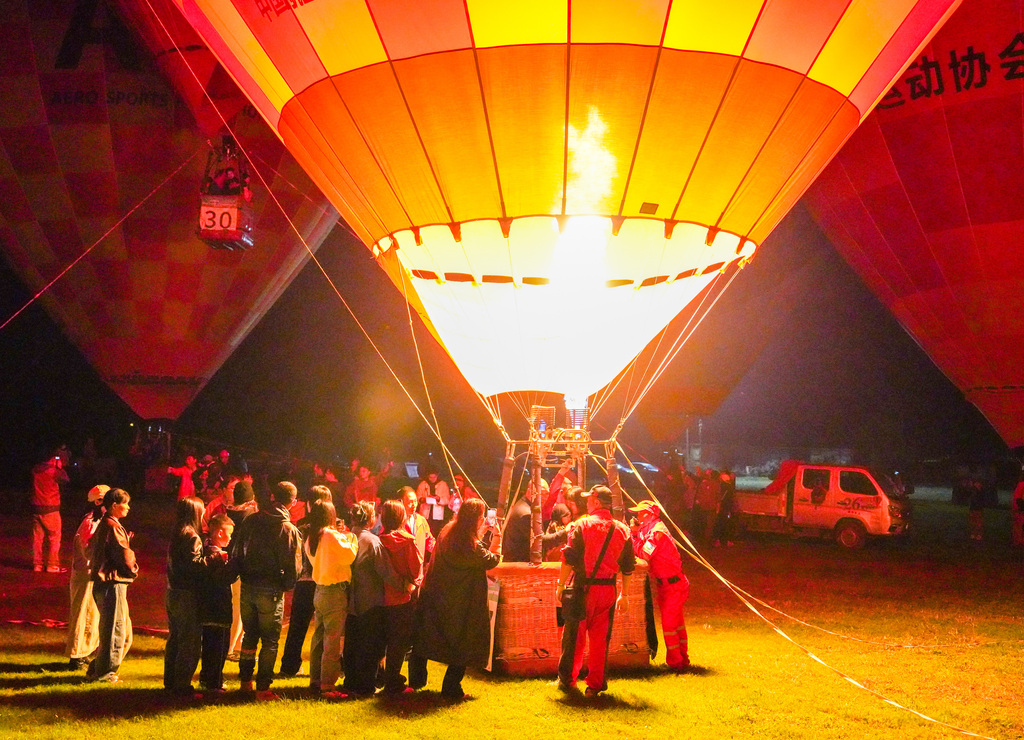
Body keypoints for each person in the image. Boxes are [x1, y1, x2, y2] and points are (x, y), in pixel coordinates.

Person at [410, 498, 502, 699]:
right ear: (475, 519)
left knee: (426, 637)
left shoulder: (448, 532)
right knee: (463, 642)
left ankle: (417, 679)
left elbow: (472, 549)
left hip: (437, 596)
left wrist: (482, 533)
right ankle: (451, 687)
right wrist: (496, 541)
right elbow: (490, 560)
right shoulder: (469, 544)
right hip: (461, 602)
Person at [556, 485, 635, 697]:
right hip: (608, 589)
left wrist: (561, 584)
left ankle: (568, 681)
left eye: (589, 500)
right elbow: (628, 566)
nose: (586, 503)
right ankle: (596, 685)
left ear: (596, 502)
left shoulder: (581, 525)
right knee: (601, 640)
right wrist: (624, 594)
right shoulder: (623, 529)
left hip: (584, 588)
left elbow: (569, 558)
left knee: (575, 637)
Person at [230, 480, 302, 699]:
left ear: (273, 496)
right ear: (293, 502)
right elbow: (293, 564)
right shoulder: (287, 529)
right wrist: (286, 585)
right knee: (270, 640)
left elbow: (237, 551)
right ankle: (263, 687)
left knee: (250, 635)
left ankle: (245, 682)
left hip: (249, 585)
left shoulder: (252, 520)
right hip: (271, 589)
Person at [341, 501, 399, 696]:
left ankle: (350, 681)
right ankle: (365, 685)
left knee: (352, 643)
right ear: (370, 518)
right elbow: (386, 572)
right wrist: (405, 585)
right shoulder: (372, 541)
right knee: (369, 645)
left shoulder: (346, 537)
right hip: (370, 600)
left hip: (349, 601)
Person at [629, 500, 690, 671]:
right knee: (676, 624)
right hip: (666, 584)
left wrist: (634, 537)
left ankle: (676, 663)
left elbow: (644, 555)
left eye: (641, 513)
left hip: (674, 585)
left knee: (670, 625)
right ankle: (682, 659)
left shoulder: (657, 532)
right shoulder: (650, 529)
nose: (638, 516)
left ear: (650, 514)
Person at [305, 499, 357, 696]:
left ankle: (315, 679)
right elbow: (349, 555)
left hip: (319, 590)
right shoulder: (330, 536)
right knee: (332, 640)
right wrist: (350, 536)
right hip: (334, 591)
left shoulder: (312, 536)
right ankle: (328, 685)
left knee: (318, 637)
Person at [279, 485, 332, 677]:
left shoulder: (301, 528)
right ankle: (332, 665)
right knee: (329, 626)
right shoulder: (332, 530)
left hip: (303, 582)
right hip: (325, 581)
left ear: (310, 504)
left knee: (298, 626)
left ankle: (289, 665)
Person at [89, 488, 138, 683]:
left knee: (117, 628)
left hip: (105, 583)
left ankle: (98, 668)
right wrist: (133, 567)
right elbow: (123, 556)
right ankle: (105, 672)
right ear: (114, 506)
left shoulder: (108, 524)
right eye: (125, 503)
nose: (128, 507)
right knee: (115, 628)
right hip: (112, 582)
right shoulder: (112, 526)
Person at [379, 499, 424, 694]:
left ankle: (380, 677)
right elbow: (416, 570)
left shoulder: (379, 540)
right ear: (401, 517)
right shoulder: (407, 541)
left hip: (381, 598)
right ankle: (394, 682)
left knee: (382, 641)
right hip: (403, 598)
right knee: (399, 644)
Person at [165, 497, 208, 695]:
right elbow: (194, 567)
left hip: (172, 591)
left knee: (175, 638)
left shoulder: (176, 534)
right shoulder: (192, 537)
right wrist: (214, 559)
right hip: (187, 594)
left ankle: (171, 681)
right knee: (189, 641)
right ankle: (182, 685)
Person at [66, 484, 108, 670]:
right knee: (83, 612)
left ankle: (86, 651)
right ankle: (77, 656)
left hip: (92, 573)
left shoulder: (99, 521)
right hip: (86, 574)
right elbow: (87, 549)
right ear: (98, 502)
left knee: (92, 613)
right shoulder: (90, 522)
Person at [198, 514, 237, 694]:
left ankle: (208, 679)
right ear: (220, 532)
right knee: (218, 647)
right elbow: (221, 578)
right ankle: (213, 682)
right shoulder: (216, 555)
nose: (230, 537)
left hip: (208, 606)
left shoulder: (205, 550)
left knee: (209, 646)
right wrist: (233, 566)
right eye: (229, 533)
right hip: (217, 606)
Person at [225, 479, 257, 661]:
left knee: (236, 606)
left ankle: (236, 644)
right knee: (237, 609)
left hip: (228, 565)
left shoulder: (228, 513)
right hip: (241, 567)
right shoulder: (249, 516)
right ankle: (229, 647)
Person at [31, 451, 69, 573]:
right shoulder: (53, 471)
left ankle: (37, 564)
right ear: (52, 459)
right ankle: (52, 565)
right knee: (54, 537)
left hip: (37, 507)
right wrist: (59, 467)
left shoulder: (35, 471)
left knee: (38, 538)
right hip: (51, 508)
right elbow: (66, 479)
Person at [402, 486, 435, 564]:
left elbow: (429, 541)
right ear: (401, 502)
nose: (413, 505)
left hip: (418, 568)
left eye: (415, 501)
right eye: (410, 502)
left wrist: (440, 550)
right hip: (401, 569)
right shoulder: (395, 520)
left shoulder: (421, 520)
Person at [416, 469, 452, 536]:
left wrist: (438, 499)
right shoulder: (423, 484)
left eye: (434, 477)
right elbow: (417, 497)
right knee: (424, 532)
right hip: (425, 513)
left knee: (435, 532)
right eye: (430, 477)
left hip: (437, 514)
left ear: (437, 476)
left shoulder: (443, 485)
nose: (432, 479)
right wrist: (423, 499)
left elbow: (447, 499)